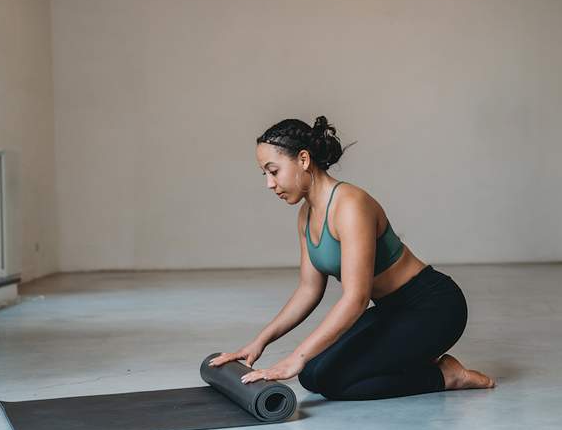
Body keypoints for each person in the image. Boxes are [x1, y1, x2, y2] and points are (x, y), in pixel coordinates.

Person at [209, 116, 495, 400]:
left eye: (274, 171)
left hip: (433, 307)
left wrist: (295, 357)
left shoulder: (350, 205)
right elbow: (309, 290)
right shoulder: (305, 216)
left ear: (304, 160)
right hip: (390, 310)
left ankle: (446, 376)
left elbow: (356, 298)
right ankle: (414, 361)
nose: (269, 184)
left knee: (335, 383)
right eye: (265, 174)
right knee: (311, 375)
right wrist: (259, 343)